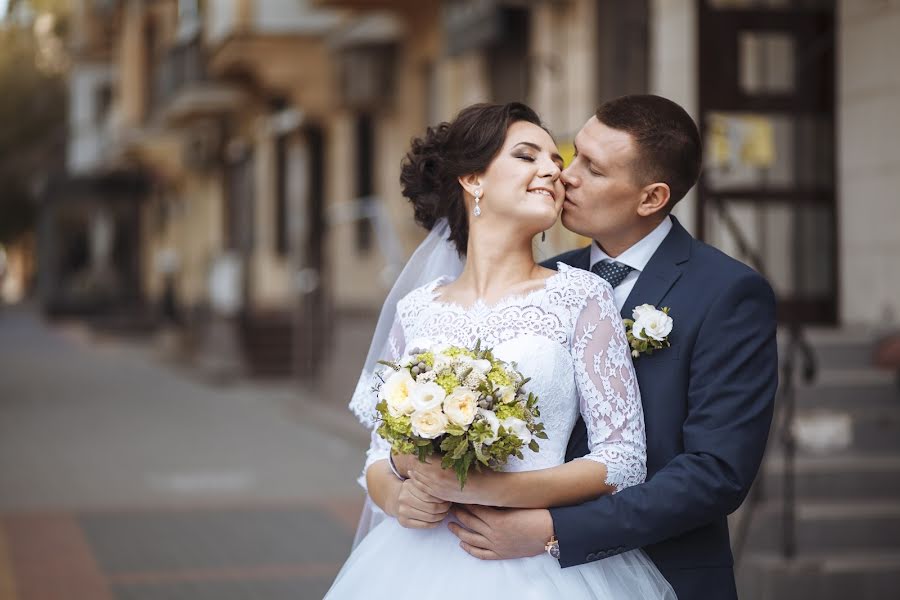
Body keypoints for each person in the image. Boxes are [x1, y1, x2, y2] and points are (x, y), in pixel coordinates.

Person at [326, 102, 675, 599]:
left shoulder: (581, 297)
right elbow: (380, 457)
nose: (553, 170)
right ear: (474, 180)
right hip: (412, 561)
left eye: (556, 160)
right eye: (528, 156)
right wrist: (400, 497)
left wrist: (485, 491)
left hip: (534, 563)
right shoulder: (417, 309)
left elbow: (621, 461)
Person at [444, 95, 779, 600]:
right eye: (572, 154)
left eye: (593, 169)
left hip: (659, 570)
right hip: (507, 572)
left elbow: (716, 473)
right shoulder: (548, 280)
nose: (565, 176)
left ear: (651, 198)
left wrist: (554, 529)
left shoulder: (727, 294)